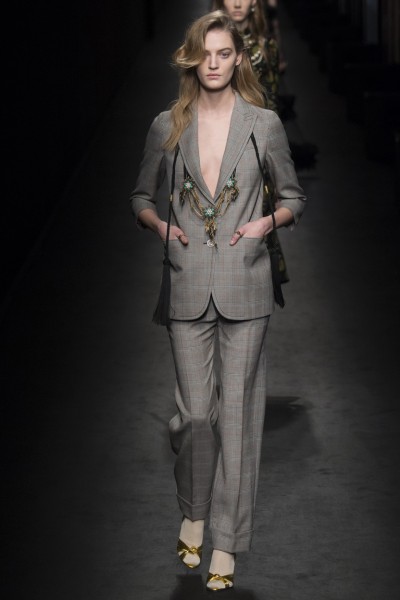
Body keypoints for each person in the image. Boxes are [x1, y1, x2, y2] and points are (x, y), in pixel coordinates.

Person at [130, 11, 306, 591]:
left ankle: (225, 540)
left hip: (246, 283)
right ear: (191, 57)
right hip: (185, 283)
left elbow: (293, 197)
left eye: (224, 53)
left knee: (237, 419)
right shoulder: (168, 125)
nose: (214, 63)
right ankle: (194, 507)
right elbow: (140, 196)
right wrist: (159, 226)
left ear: (238, 59)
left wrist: (266, 224)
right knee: (196, 417)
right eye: (204, 53)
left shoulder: (263, 124)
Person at [212, 0, 280, 113]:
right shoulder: (208, 45)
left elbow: (272, 99)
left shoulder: (268, 47)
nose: (237, 4)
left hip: (257, 118)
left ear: (254, 1)